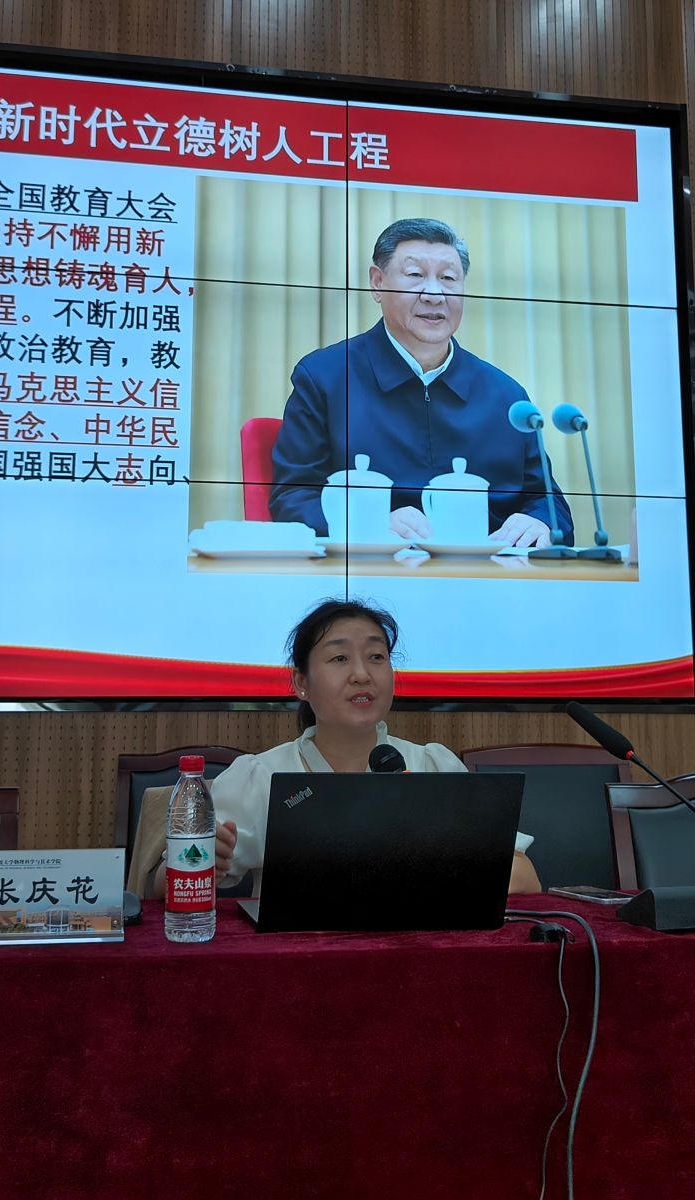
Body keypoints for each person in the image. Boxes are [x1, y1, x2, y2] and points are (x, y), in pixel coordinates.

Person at [267, 218, 574, 548]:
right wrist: (367, 524)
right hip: (372, 570)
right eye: (415, 275)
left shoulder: (505, 396)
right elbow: (293, 497)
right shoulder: (324, 378)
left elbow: (549, 503)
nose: (434, 294)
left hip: (487, 572)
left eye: (448, 278)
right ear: (377, 283)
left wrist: (539, 521)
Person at [210, 598, 542, 893]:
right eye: (340, 658)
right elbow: (183, 876)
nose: (361, 674)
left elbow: (524, 877)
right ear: (301, 682)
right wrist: (204, 861)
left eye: (376, 657)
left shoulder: (432, 767)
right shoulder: (261, 777)